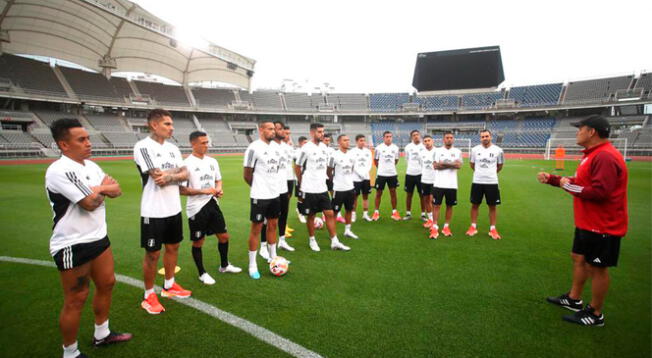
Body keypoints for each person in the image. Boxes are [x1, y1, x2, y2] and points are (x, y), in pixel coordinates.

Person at [46, 118, 132, 358]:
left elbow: (118, 190)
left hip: (98, 237)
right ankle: (70, 353)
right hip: (73, 243)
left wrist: (98, 189)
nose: (88, 143)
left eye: (88, 138)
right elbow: (90, 203)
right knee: (76, 298)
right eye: (81, 140)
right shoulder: (59, 170)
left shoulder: (91, 167)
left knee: (107, 284)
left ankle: (102, 334)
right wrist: (101, 189)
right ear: (64, 144)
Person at [538, 115, 628, 326]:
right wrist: (554, 180)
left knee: (597, 268)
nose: (577, 132)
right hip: (588, 221)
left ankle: (595, 313)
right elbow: (582, 182)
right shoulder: (592, 155)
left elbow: (599, 192)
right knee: (578, 257)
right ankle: (574, 299)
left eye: (580, 129)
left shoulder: (605, 156)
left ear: (592, 132)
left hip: (603, 224)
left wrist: (564, 184)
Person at [134, 109, 191, 314]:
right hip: (153, 210)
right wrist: (175, 174)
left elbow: (187, 172)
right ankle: (149, 294)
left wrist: (170, 175)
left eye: (171, 124)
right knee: (153, 254)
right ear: (154, 125)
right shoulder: (143, 147)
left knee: (173, 247)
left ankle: (169, 285)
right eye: (167, 124)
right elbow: (156, 176)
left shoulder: (173, 149)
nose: (171, 128)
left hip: (173, 208)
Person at [180, 131, 241, 286]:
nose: (206, 145)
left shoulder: (212, 161)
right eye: (203, 143)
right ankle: (202, 273)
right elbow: (182, 190)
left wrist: (218, 189)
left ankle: (224, 265)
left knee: (224, 237)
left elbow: (218, 180)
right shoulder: (186, 164)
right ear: (193, 144)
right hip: (196, 208)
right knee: (199, 242)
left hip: (213, 204)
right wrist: (203, 191)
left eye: (207, 142)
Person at [295, 123, 351, 251]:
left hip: (322, 188)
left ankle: (334, 241)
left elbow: (327, 167)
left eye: (322, 131)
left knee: (330, 213)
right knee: (311, 215)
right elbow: (297, 167)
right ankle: (312, 240)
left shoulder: (324, 148)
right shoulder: (306, 148)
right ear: (312, 133)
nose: (322, 134)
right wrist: (302, 182)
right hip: (309, 188)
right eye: (319, 132)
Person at [243, 120, 281, 279]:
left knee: (273, 225)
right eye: (270, 129)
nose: (273, 131)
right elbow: (247, 174)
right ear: (261, 130)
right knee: (256, 229)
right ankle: (252, 264)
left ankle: (274, 257)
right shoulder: (253, 148)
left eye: (274, 129)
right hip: (260, 195)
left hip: (275, 194)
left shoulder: (276, 148)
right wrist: (258, 186)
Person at [259, 121, 295, 258]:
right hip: (270, 187)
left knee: (283, 214)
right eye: (276, 129)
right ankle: (263, 246)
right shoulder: (268, 146)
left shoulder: (287, 147)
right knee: (267, 219)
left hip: (285, 184)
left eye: (280, 129)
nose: (279, 131)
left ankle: (282, 240)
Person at [431, 132, 462, 239]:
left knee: (449, 206)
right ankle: (434, 226)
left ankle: (446, 226)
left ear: (453, 139)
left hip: (452, 185)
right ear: (443, 139)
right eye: (447, 138)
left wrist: (443, 163)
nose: (449, 139)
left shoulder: (457, 151)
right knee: (436, 205)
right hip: (439, 183)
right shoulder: (437, 151)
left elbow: (459, 166)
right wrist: (452, 164)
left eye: (451, 138)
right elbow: (435, 166)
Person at [328, 134, 359, 239]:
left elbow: (352, 168)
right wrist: (335, 182)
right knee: (335, 212)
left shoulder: (352, 155)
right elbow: (329, 171)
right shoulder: (334, 155)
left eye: (348, 140)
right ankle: (334, 234)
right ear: (339, 142)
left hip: (350, 187)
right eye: (345, 140)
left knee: (349, 209)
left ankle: (347, 231)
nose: (347, 142)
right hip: (338, 188)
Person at [372, 131, 401, 221]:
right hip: (381, 174)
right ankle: (376, 212)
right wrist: (381, 168)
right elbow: (375, 160)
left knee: (393, 192)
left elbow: (396, 160)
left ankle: (394, 212)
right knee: (378, 193)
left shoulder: (395, 148)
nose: (389, 138)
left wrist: (390, 168)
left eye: (390, 136)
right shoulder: (378, 148)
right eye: (387, 136)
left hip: (392, 174)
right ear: (383, 138)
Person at [403, 130, 426, 221]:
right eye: (414, 135)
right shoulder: (408, 147)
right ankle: (408, 213)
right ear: (411, 137)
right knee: (409, 194)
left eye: (417, 135)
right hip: (410, 174)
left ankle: (423, 214)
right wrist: (412, 167)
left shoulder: (424, 146)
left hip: (421, 174)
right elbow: (406, 159)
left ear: (420, 136)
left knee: (422, 195)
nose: (416, 136)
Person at [350, 134, 373, 222]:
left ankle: (365, 214)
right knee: (354, 197)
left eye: (364, 140)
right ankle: (353, 214)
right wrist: (360, 173)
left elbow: (370, 164)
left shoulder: (368, 151)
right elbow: (352, 165)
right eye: (361, 140)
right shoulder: (352, 151)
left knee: (365, 196)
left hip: (366, 177)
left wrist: (364, 173)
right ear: (357, 141)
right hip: (355, 178)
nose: (363, 142)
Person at [418, 135, 436, 234]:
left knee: (432, 200)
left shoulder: (437, 152)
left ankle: (434, 219)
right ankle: (430, 219)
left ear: (432, 141)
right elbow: (422, 164)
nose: (427, 142)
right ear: (423, 142)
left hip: (434, 180)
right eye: (425, 141)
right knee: (425, 199)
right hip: (424, 179)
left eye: (429, 140)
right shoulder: (421, 154)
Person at [282, 125, 297, 238]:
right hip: (282, 178)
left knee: (286, 203)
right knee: (281, 204)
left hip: (290, 177)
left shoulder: (289, 147)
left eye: (289, 134)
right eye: (286, 133)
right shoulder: (277, 147)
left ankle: (284, 225)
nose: (288, 136)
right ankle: (281, 227)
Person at [294, 136, 309, 224]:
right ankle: (300, 213)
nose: (306, 145)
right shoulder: (297, 152)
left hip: (309, 179)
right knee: (300, 197)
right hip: (299, 177)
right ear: (300, 143)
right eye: (304, 143)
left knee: (307, 196)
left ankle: (302, 209)